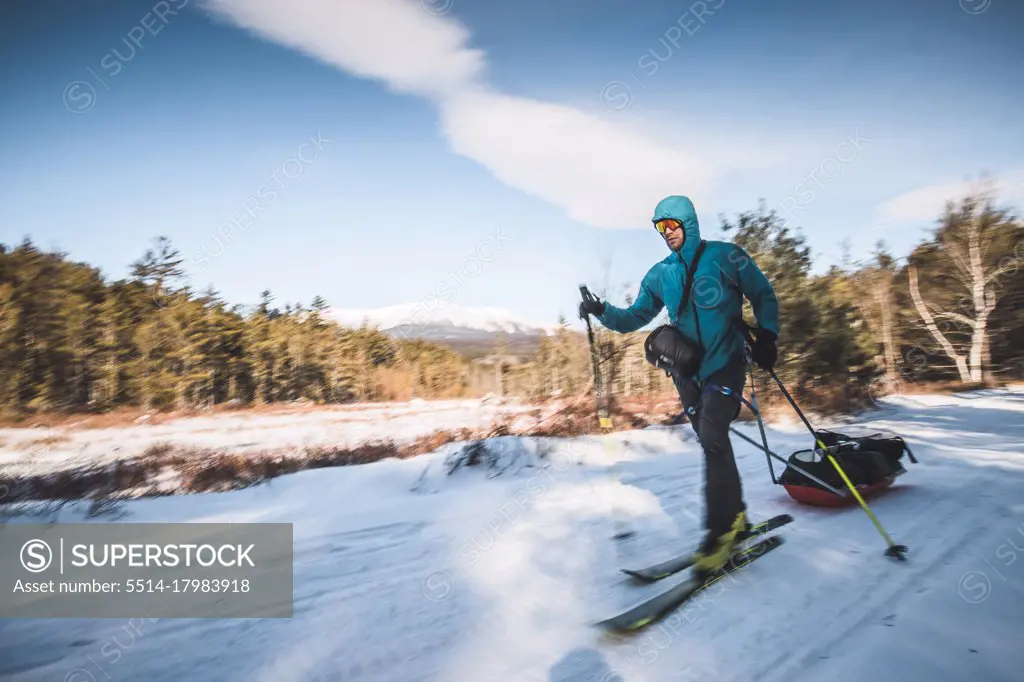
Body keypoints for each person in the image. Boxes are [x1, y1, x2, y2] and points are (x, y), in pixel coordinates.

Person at [579, 194, 779, 577]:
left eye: (672, 225)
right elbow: (634, 316)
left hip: (726, 365)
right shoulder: (659, 274)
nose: (667, 233)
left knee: (714, 436)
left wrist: (767, 336)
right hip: (687, 374)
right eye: (660, 227)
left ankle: (719, 534)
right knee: (712, 443)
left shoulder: (726, 257)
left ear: (689, 223)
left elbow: (763, 294)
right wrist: (602, 310)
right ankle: (735, 516)